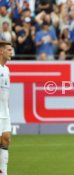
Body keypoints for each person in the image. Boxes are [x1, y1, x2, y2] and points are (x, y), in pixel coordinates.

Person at [0, 41, 13, 175]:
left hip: (5, 111)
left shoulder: (6, 69)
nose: (11, 52)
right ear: (1, 51)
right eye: (8, 50)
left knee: (6, 139)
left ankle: (4, 172)